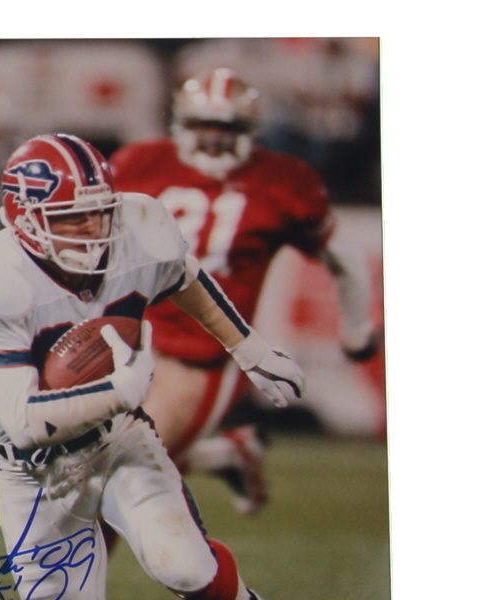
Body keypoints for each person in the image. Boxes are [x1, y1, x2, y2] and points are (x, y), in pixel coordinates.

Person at [0, 132, 315, 600]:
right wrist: (119, 389)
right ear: (23, 219)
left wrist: (246, 347)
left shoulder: (139, 225)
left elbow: (183, 277)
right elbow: (25, 421)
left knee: (182, 566)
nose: (92, 229)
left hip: (117, 441)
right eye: (70, 217)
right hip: (31, 475)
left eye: (98, 211)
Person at [108, 67, 380, 513]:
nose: (213, 138)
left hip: (204, 354)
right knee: (90, 456)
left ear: (249, 129)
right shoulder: (139, 162)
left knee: (127, 473)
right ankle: (224, 454)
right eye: (203, 125)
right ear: (181, 123)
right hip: (131, 337)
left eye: (226, 127)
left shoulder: (282, 181)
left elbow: (343, 258)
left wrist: (356, 330)